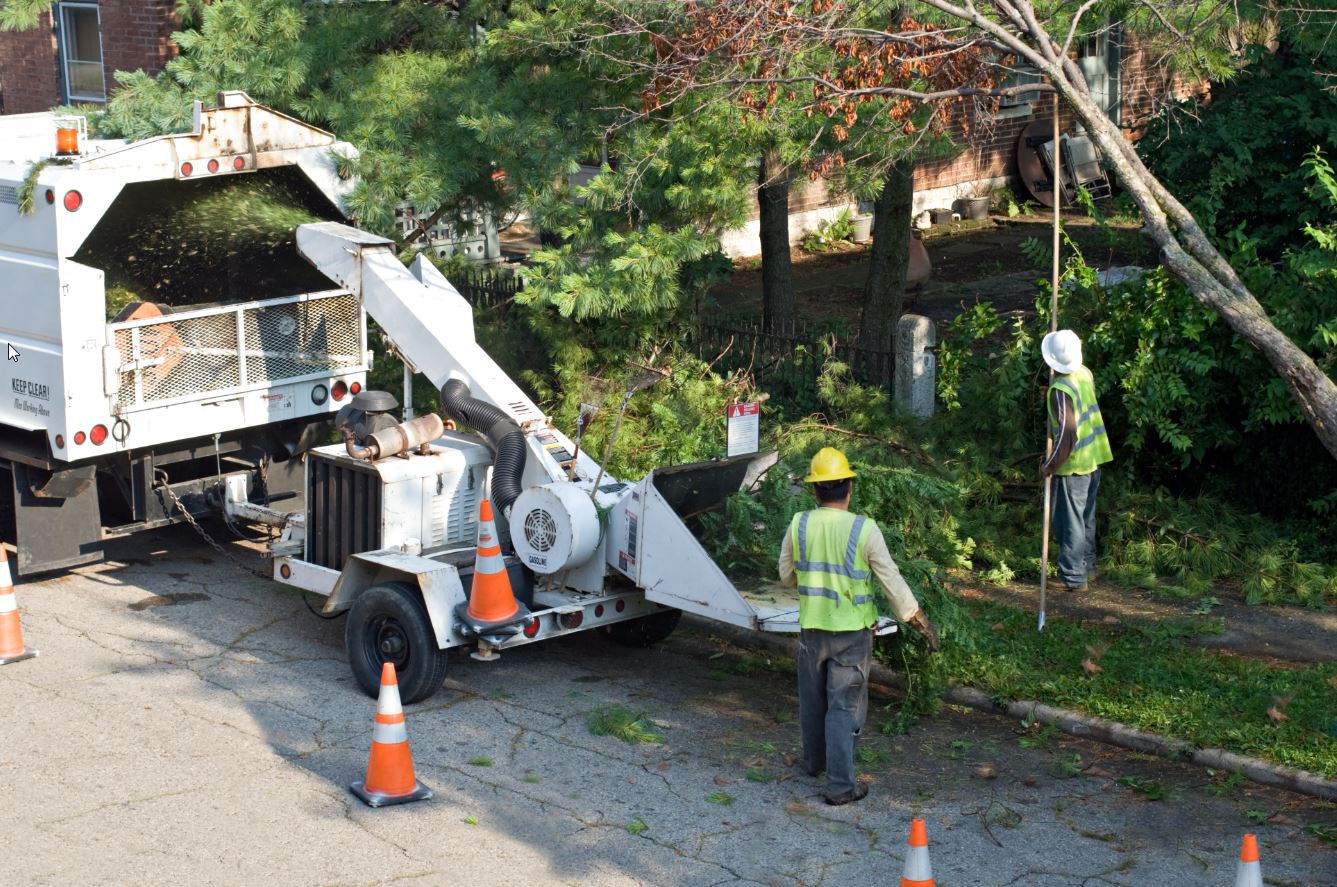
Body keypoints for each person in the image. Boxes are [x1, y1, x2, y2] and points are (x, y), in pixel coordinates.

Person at [777, 447, 940, 806]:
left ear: (815, 491)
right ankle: (839, 786)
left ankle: (814, 763)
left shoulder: (799, 523)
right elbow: (891, 581)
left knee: (812, 701)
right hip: (851, 636)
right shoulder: (865, 530)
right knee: (844, 706)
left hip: (812, 631)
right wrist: (918, 620)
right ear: (849, 488)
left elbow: (786, 575)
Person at [1040, 330, 1113, 592]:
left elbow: (1068, 435)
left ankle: (1073, 577)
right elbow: (1078, 407)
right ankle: (1088, 566)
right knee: (1085, 517)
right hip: (1094, 457)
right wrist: (1050, 397)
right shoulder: (1084, 373)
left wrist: (1050, 465)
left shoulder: (1061, 390)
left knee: (1070, 523)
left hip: (1074, 465)